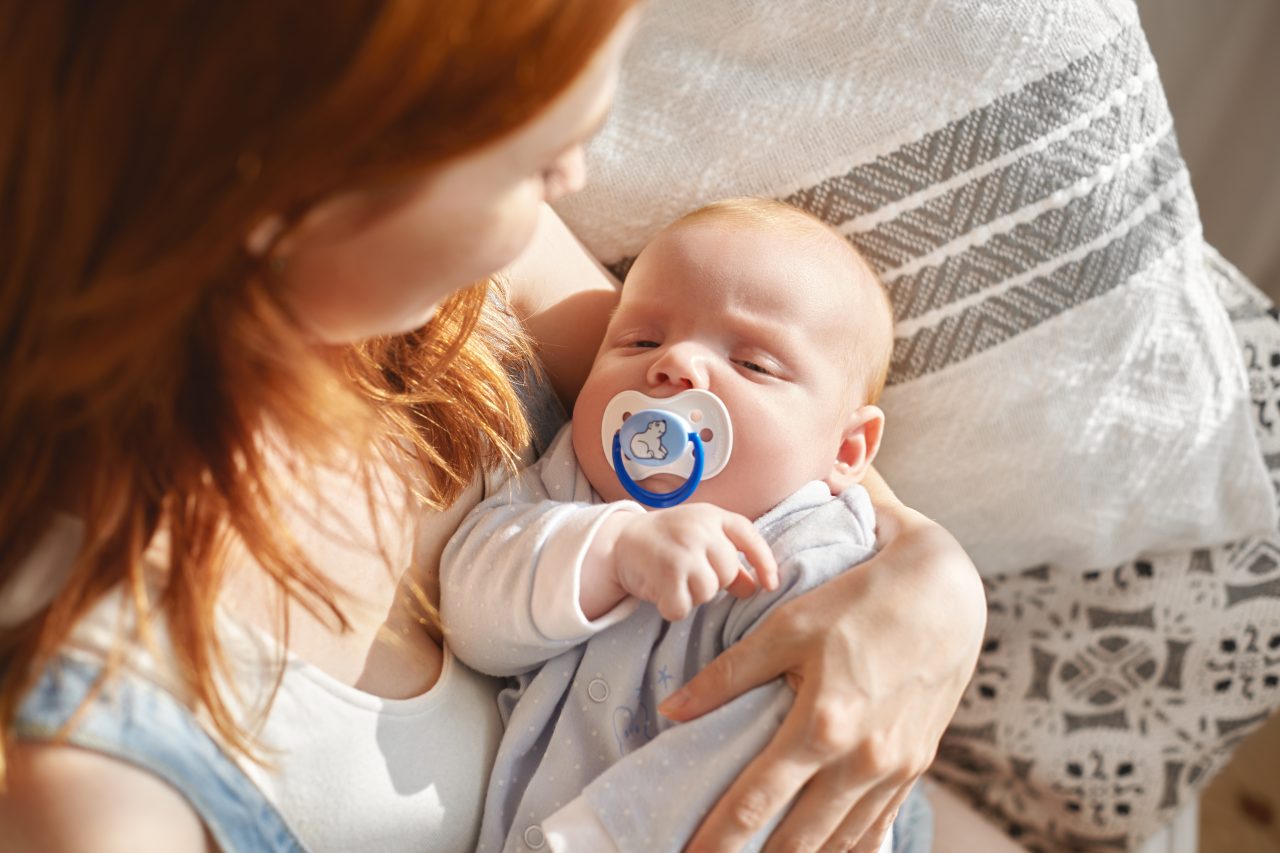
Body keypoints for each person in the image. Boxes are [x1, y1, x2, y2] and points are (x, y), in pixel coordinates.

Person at [0, 4, 986, 852]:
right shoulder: (93, 770)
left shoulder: (454, 290)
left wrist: (929, 585)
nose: (575, 182)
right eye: (539, 163)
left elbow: (771, 437)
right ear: (298, 185)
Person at [442, 198, 929, 853]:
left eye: (753, 363)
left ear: (845, 452)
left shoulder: (814, 559)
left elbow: (796, 735)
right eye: (640, 339)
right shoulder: (575, 485)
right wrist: (611, 548)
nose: (676, 366)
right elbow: (472, 617)